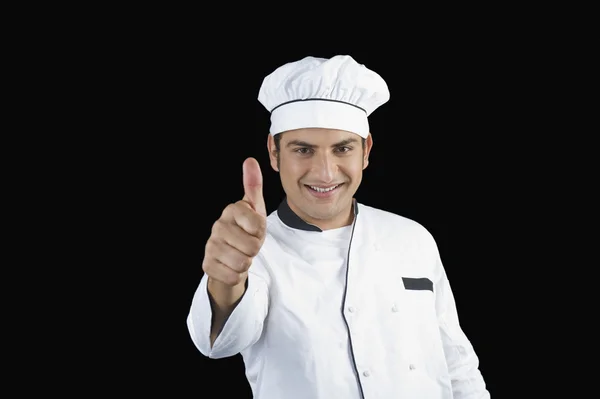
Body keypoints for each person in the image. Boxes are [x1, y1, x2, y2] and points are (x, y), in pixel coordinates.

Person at [186, 55, 490, 398]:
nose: (326, 173)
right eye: (303, 150)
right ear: (274, 153)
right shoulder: (252, 250)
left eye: (342, 149)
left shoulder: (413, 238)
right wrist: (225, 282)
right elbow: (221, 342)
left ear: (365, 151)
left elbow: (457, 363)